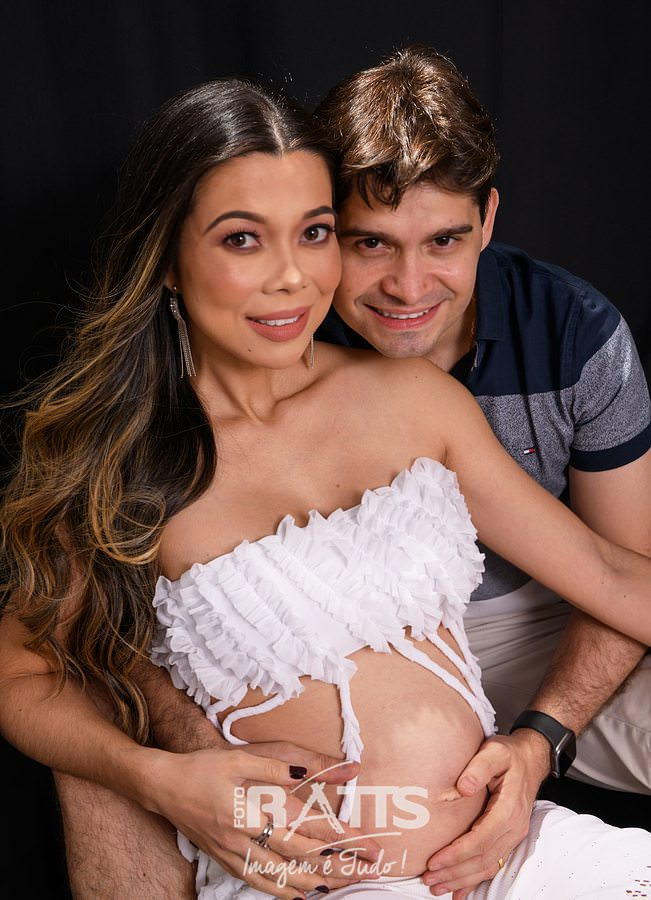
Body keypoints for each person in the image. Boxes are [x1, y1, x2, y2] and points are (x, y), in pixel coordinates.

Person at [0, 74, 649, 900]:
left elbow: (610, 575)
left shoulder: (411, 398)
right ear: (165, 258)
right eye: (242, 239)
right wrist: (156, 778)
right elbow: (23, 675)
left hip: (504, 851)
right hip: (310, 877)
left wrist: (533, 746)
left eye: (312, 233)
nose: (292, 278)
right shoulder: (119, 460)